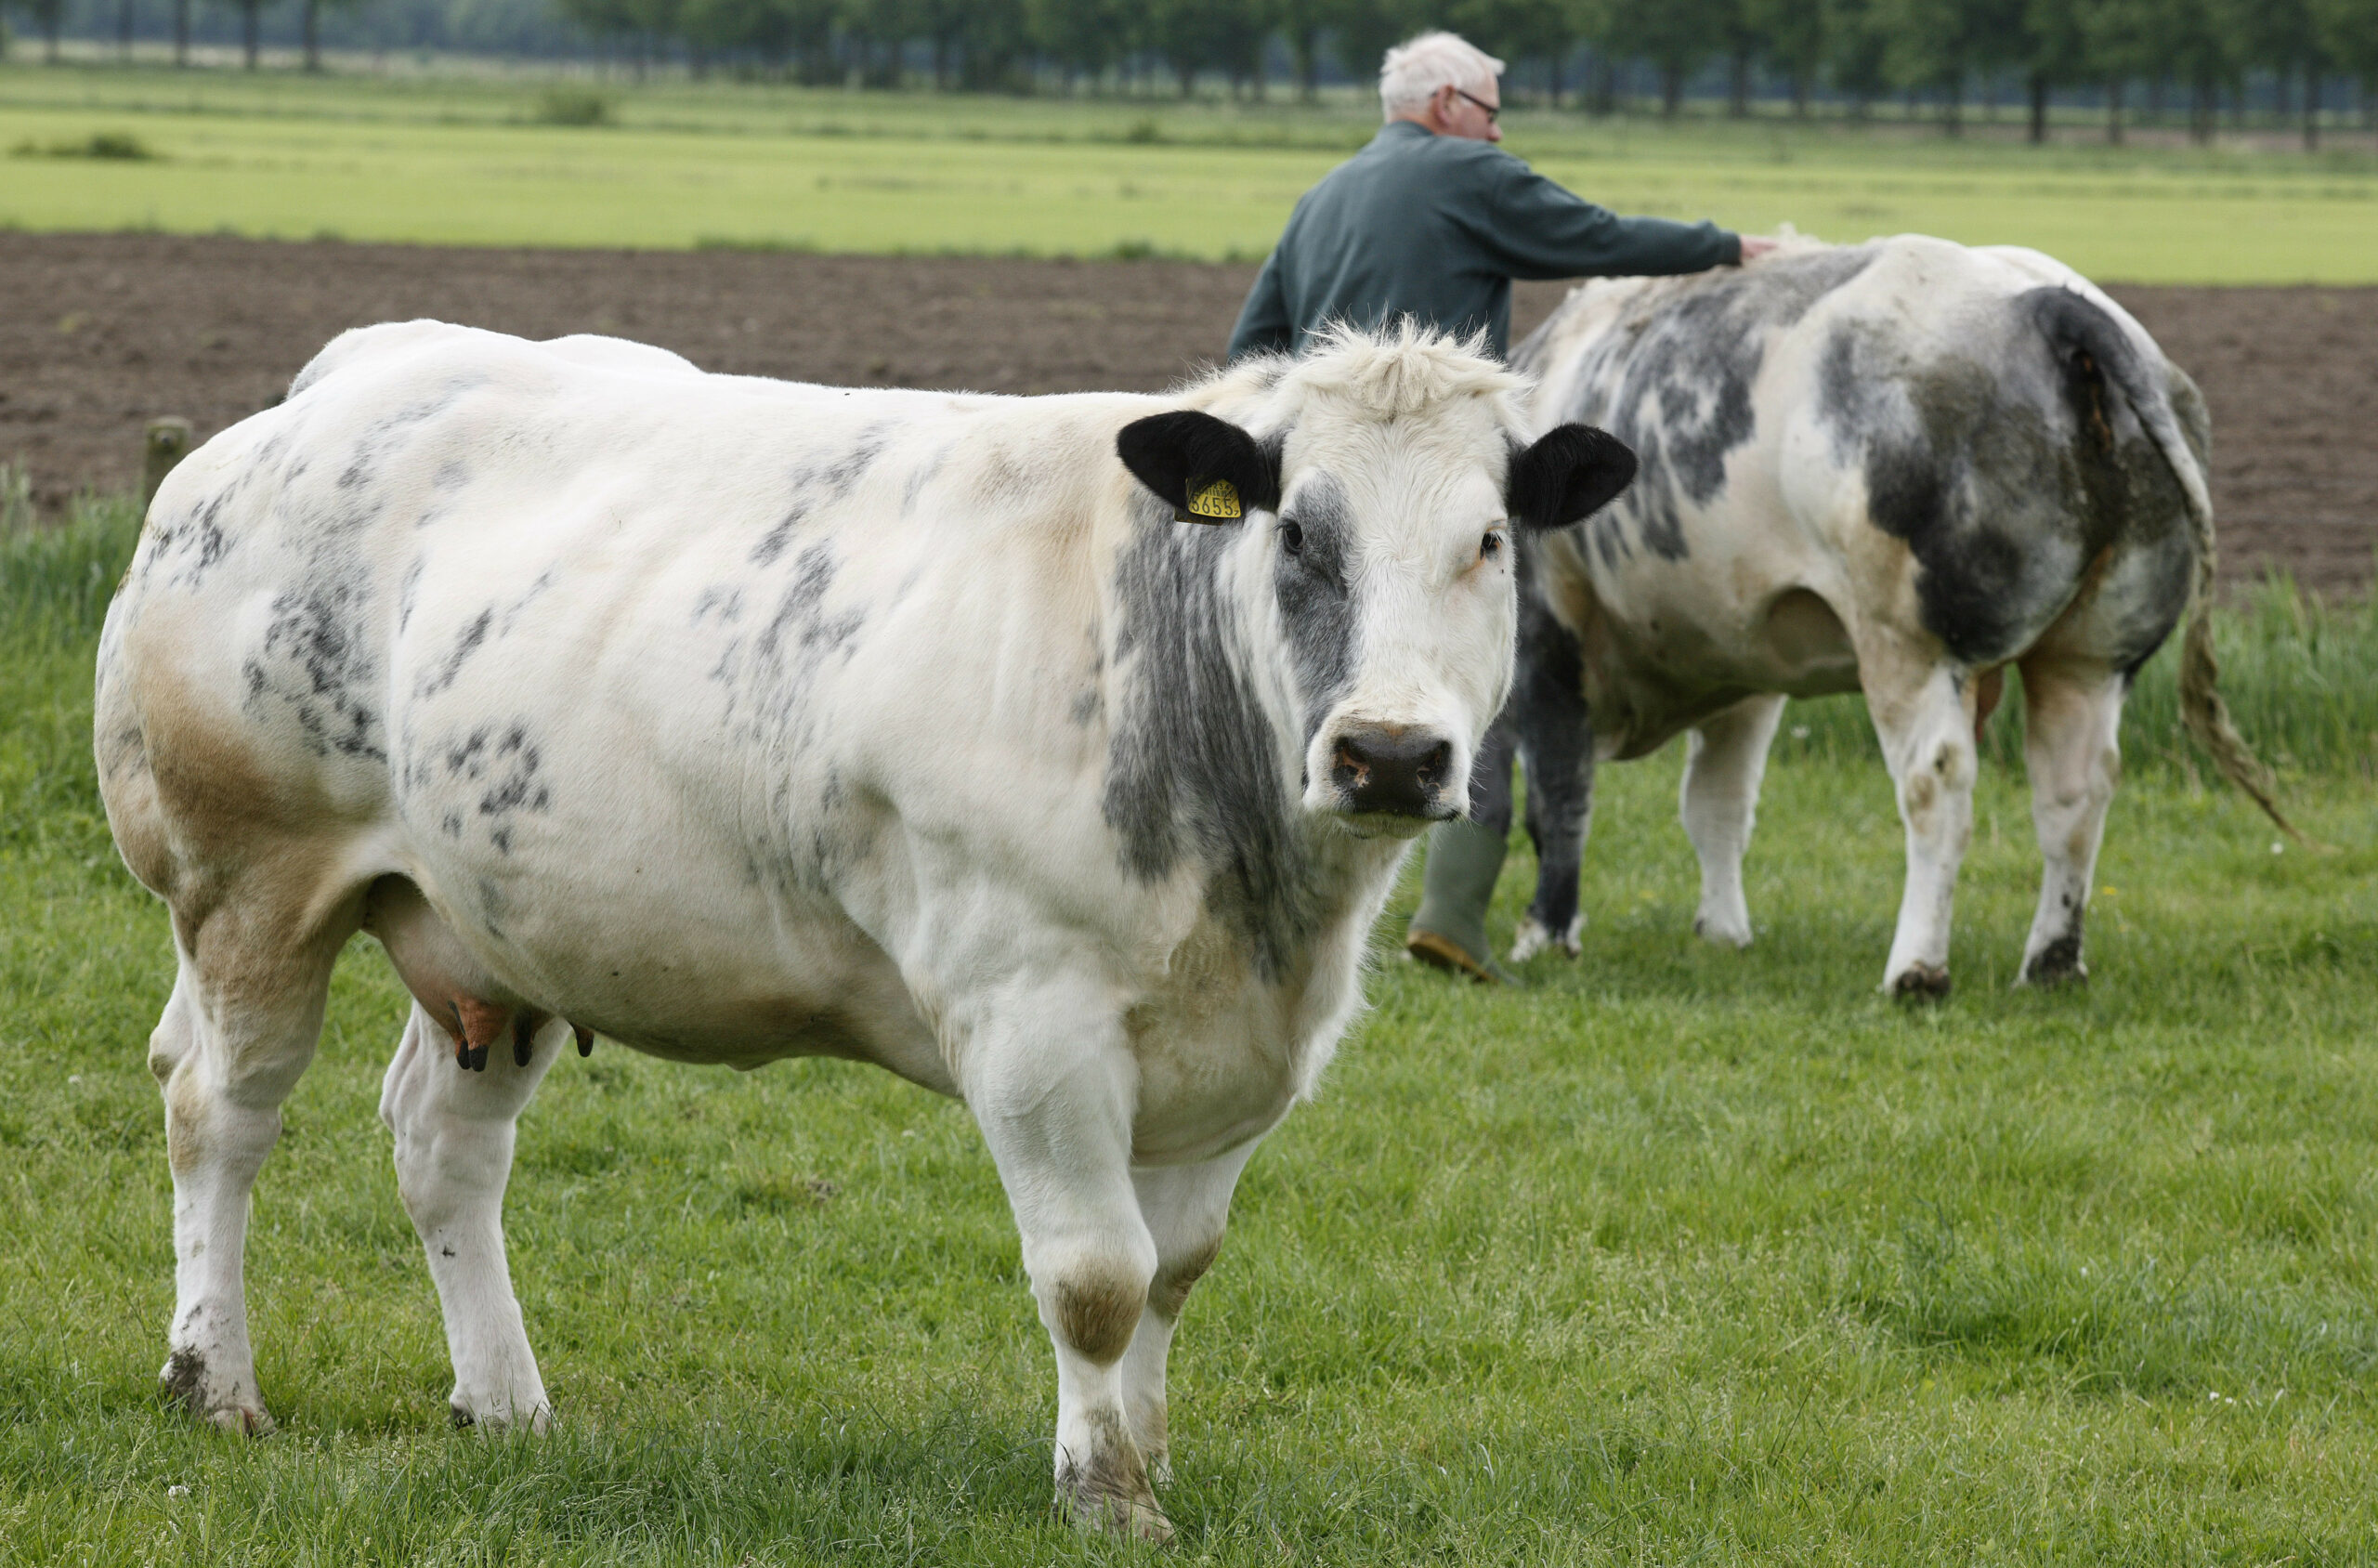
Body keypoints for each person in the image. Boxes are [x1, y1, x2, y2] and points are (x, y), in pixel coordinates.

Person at [1228, 29, 1775, 985]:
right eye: (1489, 113)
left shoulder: (1322, 197)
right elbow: (1596, 238)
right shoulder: (1467, 177)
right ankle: (1452, 917)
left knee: (1324, 677)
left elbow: (1252, 349)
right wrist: (1723, 247)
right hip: (1439, 479)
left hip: (1340, 494)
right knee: (1482, 678)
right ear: (1446, 106)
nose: (1494, 133)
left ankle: (1291, 890)